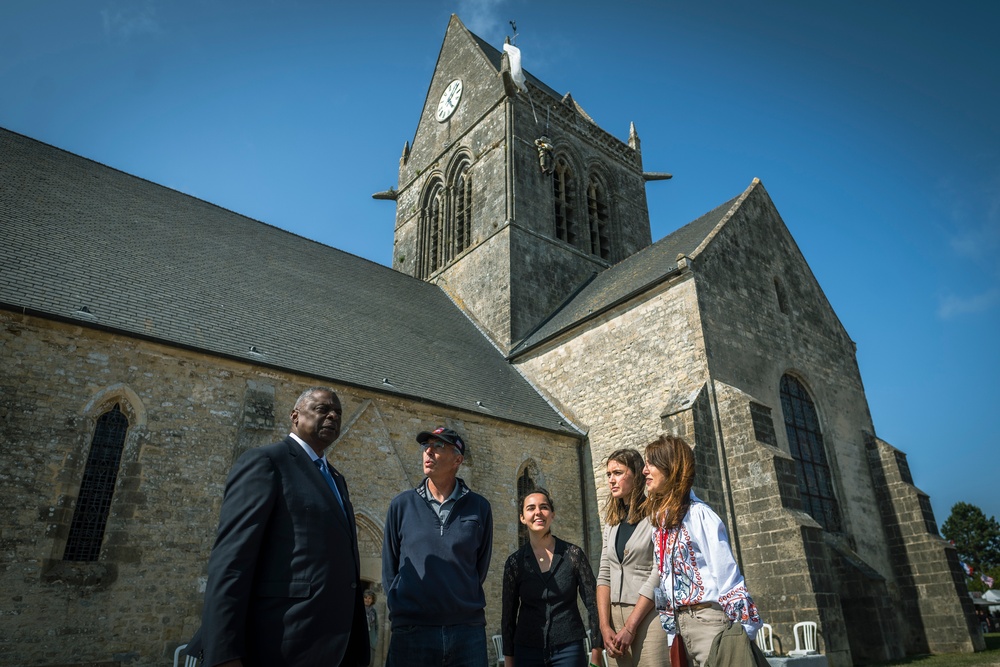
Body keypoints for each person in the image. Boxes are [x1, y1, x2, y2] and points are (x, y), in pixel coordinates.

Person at [188, 387, 369, 667]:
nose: (333, 416)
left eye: (338, 412)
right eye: (322, 409)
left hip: (334, 648)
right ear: (295, 416)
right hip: (282, 644)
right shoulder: (267, 462)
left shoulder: (335, 478)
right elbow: (231, 561)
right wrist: (224, 653)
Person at [644, 435, 762, 667]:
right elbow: (666, 583)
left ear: (671, 468)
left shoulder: (699, 515)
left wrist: (741, 637)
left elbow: (727, 575)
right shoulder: (660, 525)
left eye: (651, 464)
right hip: (681, 626)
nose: (644, 471)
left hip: (709, 624)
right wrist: (672, 634)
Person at [382, 426, 493, 667]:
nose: (428, 452)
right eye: (426, 446)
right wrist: (402, 611)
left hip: (467, 632)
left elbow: (479, 566)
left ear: (458, 459)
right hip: (412, 632)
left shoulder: (480, 507)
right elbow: (390, 567)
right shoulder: (401, 505)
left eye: (438, 446)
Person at [501, 487, 604, 667]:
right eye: (531, 508)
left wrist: (596, 652)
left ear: (552, 514)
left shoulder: (573, 555)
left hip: (569, 648)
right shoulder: (514, 563)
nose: (538, 512)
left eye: (544, 507)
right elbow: (508, 616)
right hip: (527, 650)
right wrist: (509, 660)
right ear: (522, 517)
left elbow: (594, 604)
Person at [596, 449, 668, 667]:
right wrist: (604, 626)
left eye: (618, 472)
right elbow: (604, 574)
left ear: (636, 474)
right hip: (614, 621)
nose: (611, 480)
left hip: (647, 617)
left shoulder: (656, 514)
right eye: (609, 474)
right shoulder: (612, 522)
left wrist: (631, 626)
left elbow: (659, 572)